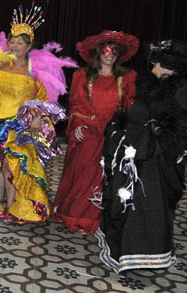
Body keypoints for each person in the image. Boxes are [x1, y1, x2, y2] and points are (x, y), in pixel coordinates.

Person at [96, 39, 187, 272]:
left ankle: (141, 253)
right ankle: (122, 250)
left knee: (147, 207)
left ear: (168, 65)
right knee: (127, 201)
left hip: (155, 164)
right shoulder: (155, 84)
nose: (152, 69)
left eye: (156, 64)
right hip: (137, 157)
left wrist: (159, 137)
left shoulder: (184, 90)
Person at [0, 3, 68, 224]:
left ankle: (12, 206)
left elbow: (43, 97)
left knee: (13, 165)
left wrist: (38, 117)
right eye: (12, 41)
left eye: (20, 42)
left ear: (28, 46)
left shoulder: (35, 69)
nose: (14, 45)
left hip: (19, 124)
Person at [51, 31, 138, 234]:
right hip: (89, 133)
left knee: (107, 176)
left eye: (114, 50)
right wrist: (79, 124)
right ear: (98, 52)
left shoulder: (126, 77)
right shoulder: (83, 76)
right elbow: (76, 104)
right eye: (105, 50)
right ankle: (76, 216)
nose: (109, 54)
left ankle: (101, 218)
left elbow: (130, 105)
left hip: (114, 135)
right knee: (83, 174)